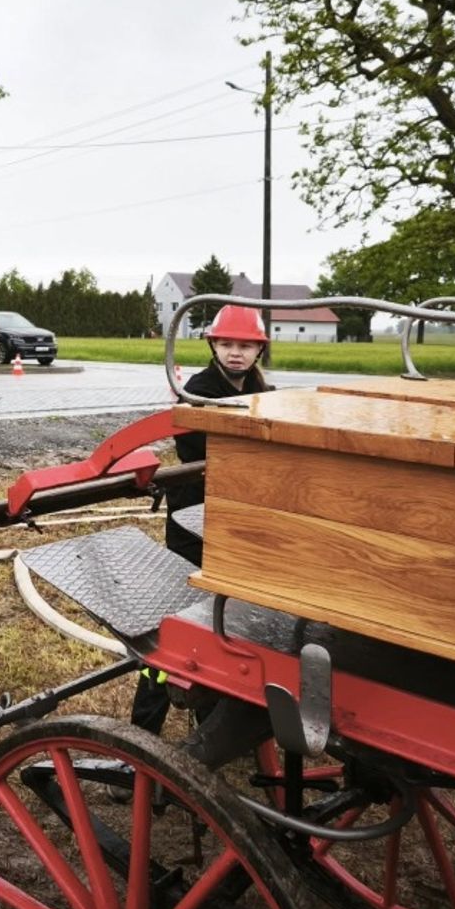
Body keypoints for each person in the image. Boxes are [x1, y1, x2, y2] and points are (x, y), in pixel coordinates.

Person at [130, 304, 270, 736]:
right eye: (227, 344)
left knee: (226, 627)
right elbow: (201, 453)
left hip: (233, 521)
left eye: (245, 345)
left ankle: (216, 718)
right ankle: (144, 729)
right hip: (194, 522)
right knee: (177, 628)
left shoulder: (262, 389)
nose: (235, 353)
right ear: (213, 346)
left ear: (259, 350)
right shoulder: (199, 391)